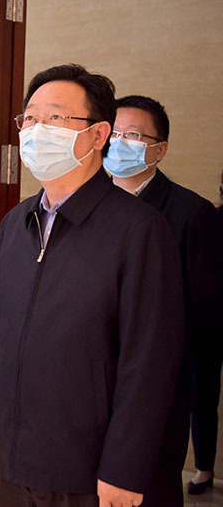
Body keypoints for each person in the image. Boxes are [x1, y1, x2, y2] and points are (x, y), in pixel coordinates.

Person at [0, 64, 185, 507]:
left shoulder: (139, 230)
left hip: (90, 467)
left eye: (55, 117)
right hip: (17, 456)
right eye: (30, 118)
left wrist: (125, 466)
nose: (37, 131)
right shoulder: (16, 223)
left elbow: (149, 362)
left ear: (98, 134)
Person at [105, 95, 223, 500]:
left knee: (149, 480)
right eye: (114, 134)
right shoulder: (90, 202)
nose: (120, 143)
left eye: (133, 136)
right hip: (95, 371)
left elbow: (205, 308)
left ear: (160, 149)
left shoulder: (191, 212)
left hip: (160, 376)